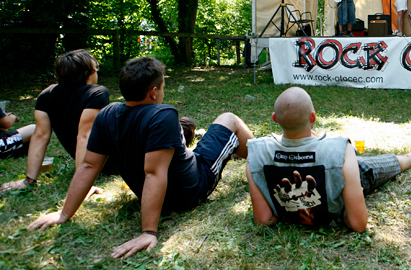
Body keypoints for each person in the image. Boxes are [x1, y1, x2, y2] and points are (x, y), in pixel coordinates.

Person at [27, 57, 255, 259]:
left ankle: (238, 151)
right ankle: (260, 159)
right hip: (191, 190)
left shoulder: (106, 114)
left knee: (191, 140)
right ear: (154, 92)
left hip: (158, 188)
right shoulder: (163, 114)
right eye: (163, 86)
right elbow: (153, 173)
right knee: (229, 119)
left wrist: (64, 213)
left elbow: (88, 165)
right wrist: (148, 232)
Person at [246, 87, 411, 231]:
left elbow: (263, 219)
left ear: (274, 118)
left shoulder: (255, 152)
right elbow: (358, 224)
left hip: (323, 163)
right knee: (392, 162)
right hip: (343, 168)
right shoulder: (341, 149)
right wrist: (349, 201)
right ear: (313, 117)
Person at [2, 49, 112, 191]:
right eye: (96, 68)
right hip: (113, 162)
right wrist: (83, 185)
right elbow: (85, 136)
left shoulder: (47, 94)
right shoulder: (96, 93)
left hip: (96, 163)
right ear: (87, 73)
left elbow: (40, 136)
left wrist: (28, 180)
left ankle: (30, 182)